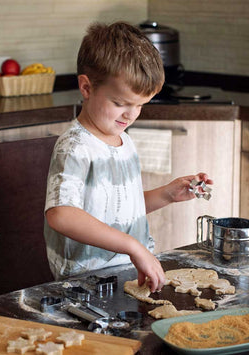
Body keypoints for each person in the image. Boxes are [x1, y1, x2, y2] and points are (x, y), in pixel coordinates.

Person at [44, 22, 212, 292]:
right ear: (86, 88)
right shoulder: (75, 147)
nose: (130, 115)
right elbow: (61, 215)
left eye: (140, 106)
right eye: (120, 103)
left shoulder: (125, 143)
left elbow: (117, 210)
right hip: (86, 283)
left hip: (125, 273)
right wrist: (133, 246)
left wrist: (168, 194)